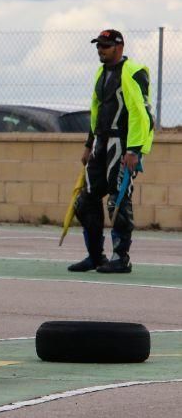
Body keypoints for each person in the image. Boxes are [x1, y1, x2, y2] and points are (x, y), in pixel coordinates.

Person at [69, 29, 155, 274]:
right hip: (101, 143)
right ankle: (96, 256)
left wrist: (135, 150)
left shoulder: (134, 72)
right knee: (85, 201)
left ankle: (121, 258)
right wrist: (89, 144)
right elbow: (96, 112)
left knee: (117, 201)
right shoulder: (101, 73)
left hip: (123, 143)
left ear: (119, 47)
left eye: (105, 46)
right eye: (98, 46)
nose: (100, 50)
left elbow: (143, 114)